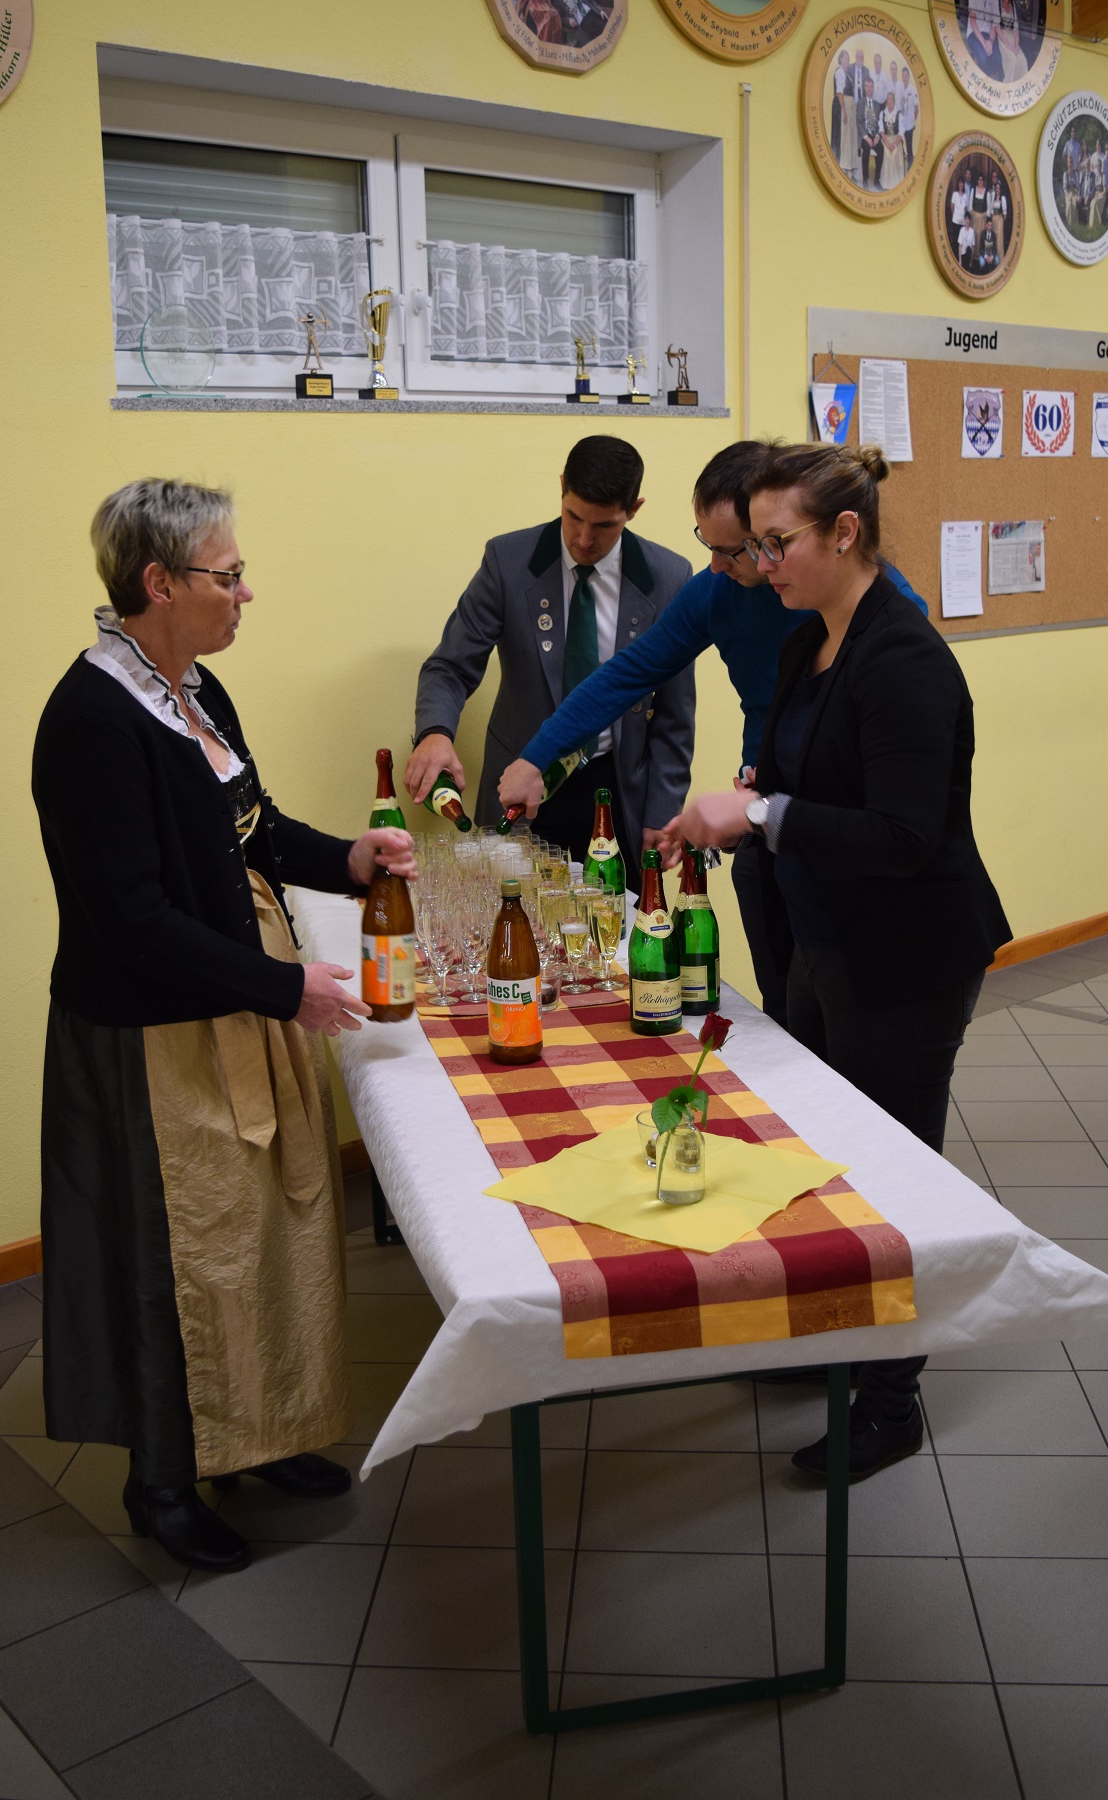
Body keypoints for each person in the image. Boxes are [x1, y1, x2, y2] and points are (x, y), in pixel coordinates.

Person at [33, 479, 418, 1574]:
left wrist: (349, 858)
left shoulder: (195, 691)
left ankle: (259, 1435)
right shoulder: (94, 720)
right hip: (157, 1032)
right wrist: (285, 990)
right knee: (178, 1260)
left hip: (237, 994)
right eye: (229, 575)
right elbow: (133, 918)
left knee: (257, 1239)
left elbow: (255, 830)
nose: (247, 593)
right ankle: (162, 1480)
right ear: (159, 583)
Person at [659, 442, 1010, 1480]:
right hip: (819, 942)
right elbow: (786, 777)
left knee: (891, 1176)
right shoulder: (809, 643)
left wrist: (761, 813)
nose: (761, 566)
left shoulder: (904, 660)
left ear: (845, 533)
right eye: (757, 546)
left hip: (903, 959)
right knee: (817, 1156)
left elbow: (904, 835)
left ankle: (892, 1401)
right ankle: (827, 1340)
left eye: (777, 544)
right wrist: (732, 808)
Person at [496, 441, 927, 1027]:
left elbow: (889, 771)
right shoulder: (722, 590)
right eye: (710, 547)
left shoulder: (878, 617)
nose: (722, 567)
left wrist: (754, 804)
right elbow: (626, 674)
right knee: (790, 1011)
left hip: (842, 837)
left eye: (738, 549)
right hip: (769, 820)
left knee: (855, 1018)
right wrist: (537, 757)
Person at [408, 436, 693, 889]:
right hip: (520, 781)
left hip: (616, 790)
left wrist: (662, 813)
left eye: (604, 525)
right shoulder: (508, 561)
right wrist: (435, 732)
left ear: (634, 509)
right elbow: (450, 666)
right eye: (573, 516)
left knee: (615, 926)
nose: (584, 539)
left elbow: (675, 716)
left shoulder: (669, 577)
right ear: (561, 487)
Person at [858, 78, 884, 189]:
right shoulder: (861, 102)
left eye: (871, 86)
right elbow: (859, 121)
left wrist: (877, 136)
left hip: (875, 135)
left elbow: (880, 122)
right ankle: (865, 179)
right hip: (865, 135)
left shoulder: (877, 105)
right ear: (864, 88)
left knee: (881, 149)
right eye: (867, 86)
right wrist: (866, 137)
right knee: (866, 149)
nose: (869, 89)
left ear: (873, 89)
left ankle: (877, 179)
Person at [878, 92, 905, 189]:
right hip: (885, 139)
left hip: (896, 140)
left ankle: (896, 183)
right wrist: (887, 143)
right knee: (887, 154)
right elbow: (881, 131)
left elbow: (901, 133)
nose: (889, 101)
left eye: (891, 99)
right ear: (886, 101)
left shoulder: (899, 114)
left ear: (894, 101)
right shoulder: (882, 113)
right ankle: (886, 183)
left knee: (894, 153)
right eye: (888, 99)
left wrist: (894, 145)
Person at [898, 64, 919, 166]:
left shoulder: (912, 90)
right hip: (901, 124)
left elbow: (916, 108)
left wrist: (913, 120)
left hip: (909, 124)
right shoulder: (900, 89)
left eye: (906, 76)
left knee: (909, 147)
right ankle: (901, 167)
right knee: (900, 146)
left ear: (909, 77)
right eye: (903, 76)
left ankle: (910, 167)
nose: (904, 78)